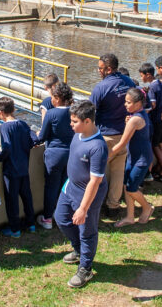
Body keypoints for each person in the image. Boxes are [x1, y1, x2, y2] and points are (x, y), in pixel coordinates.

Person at [55, 100, 108, 288]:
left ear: (87, 122)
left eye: (74, 121)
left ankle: (86, 268)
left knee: (87, 231)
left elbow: (95, 181)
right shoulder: (78, 135)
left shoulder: (97, 147)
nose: (71, 124)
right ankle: (79, 250)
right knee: (61, 218)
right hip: (70, 187)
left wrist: (83, 208)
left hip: (88, 194)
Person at [89, 53, 136, 218]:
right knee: (118, 172)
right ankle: (113, 206)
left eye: (100, 68)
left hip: (106, 136)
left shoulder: (101, 88)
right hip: (124, 135)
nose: (98, 71)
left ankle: (92, 204)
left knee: (96, 172)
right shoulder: (128, 82)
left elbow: (89, 111)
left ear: (108, 69)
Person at [110, 88, 155, 227]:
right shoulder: (137, 115)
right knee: (126, 186)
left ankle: (147, 207)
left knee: (131, 188)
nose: (125, 105)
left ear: (138, 104)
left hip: (141, 158)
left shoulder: (135, 119)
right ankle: (130, 217)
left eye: (128, 102)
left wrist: (107, 156)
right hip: (133, 156)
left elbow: (122, 143)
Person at [0, 96, 36, 237]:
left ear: (1, 112)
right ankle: (31, 224)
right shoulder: (23, 124)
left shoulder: (5, 127)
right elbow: (34, 140)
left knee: (12, 200)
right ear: (13, 109)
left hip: (11, 171)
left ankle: (15, 229)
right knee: (27, 196)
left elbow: (6, 147)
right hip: (24, 168)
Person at [34, 82, 74, 230]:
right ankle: (64, 215)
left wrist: (33, 135)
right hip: (71, 154)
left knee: (51, 187)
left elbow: (42, 137)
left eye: (52, 97)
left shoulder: (51, 114)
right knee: (66, 186)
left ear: (57, 98)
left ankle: (47, 219)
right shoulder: (74, 111)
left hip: (54, 155)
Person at [139, 63, 162, 182]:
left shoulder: (152, 86)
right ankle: (160, 168)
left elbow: (153, 104)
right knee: (158, 143)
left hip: (156, 119)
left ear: (148, 75)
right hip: (161, 119)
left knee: (154, 145)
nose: (141, 78)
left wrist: (142, 112)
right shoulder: (159, 83)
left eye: (142, 76)